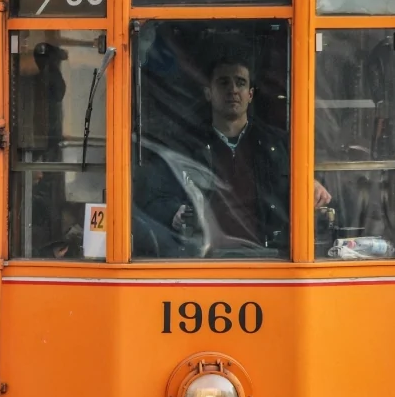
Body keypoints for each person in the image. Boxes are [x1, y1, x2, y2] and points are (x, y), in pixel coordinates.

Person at [138, 53, 332, 255]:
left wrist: (313, 184)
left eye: (240, 83)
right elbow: (152, 197)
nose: (232, 90)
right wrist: (173, 213)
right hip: (205, 258)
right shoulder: (186, 146)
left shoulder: (277, 144)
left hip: (268, 257)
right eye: (223, 83)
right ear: (208, 93)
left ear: (250, 94)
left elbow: (310, 185)